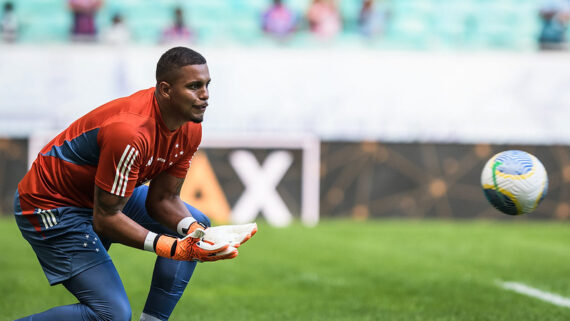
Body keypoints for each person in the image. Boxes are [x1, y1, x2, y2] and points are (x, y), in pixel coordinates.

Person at [14, 47, 242, 321]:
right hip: (50, 205)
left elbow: (164, 200)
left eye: (206, 85)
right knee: (110, 315)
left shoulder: (190, 126)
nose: (205, 95)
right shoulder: (130, 132)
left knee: (197, 223)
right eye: (194, 86)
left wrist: (194, 233)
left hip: (98, 198)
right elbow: (106, 218)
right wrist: (171, 247)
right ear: (166, 90)